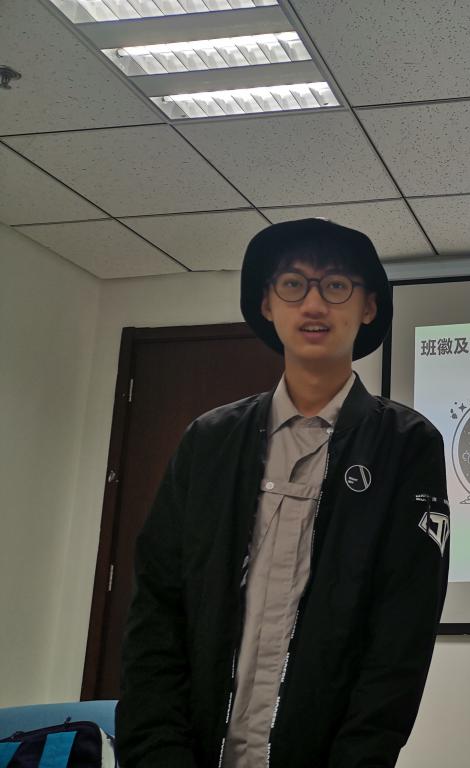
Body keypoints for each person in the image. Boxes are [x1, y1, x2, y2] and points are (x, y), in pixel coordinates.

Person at [115, 218, 451, 768]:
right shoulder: (209, 440)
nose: (313, 303)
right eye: (293, 284)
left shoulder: (406, 445)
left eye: (336, 284)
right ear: (267, 303)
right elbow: (157, 610)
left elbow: (401, 637)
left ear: (369, 306)